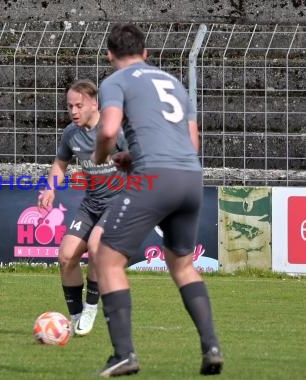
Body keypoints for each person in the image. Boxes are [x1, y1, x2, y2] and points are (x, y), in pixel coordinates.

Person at [91, 24, 223, 376]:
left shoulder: (115, 81)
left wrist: (102, 156)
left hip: (155, 179)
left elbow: (107, 130)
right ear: (146, 53)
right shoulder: (175, 84)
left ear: (110, 54)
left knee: (107, 259)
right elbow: (190, 144)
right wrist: (132, 157)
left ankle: (124, 354)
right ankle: (211, 346)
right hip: (190, 177)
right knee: (182, 264)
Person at [39, 79, 127, 337]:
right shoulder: (71, 133)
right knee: (66, 257)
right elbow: (60, 164)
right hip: (91, 204)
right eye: (70, 106)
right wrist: (51, 188)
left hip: (119, 202)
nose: (74, 112)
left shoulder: (114, 130)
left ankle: (91, 308)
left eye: (79, 105)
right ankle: (75, 317)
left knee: (96, 246)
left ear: (94, 103)